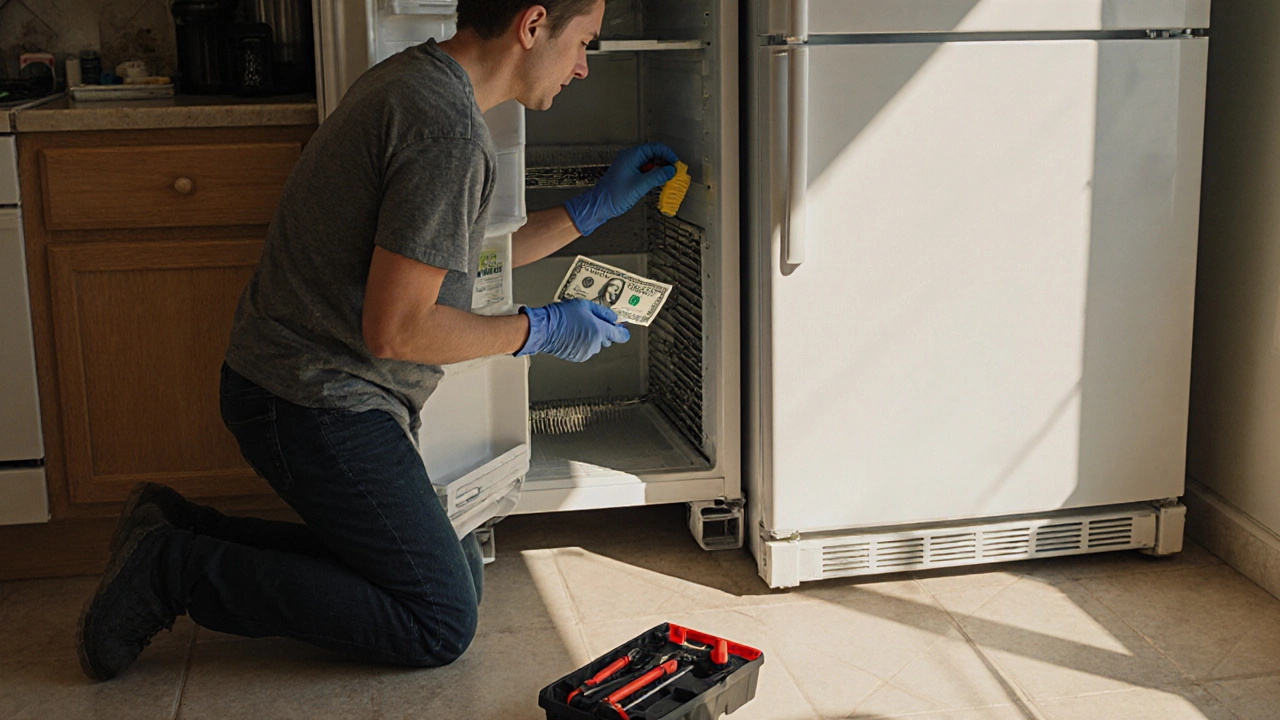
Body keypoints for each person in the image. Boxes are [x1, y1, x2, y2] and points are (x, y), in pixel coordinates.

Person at [76, 0, 679, 681]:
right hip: (312, 400)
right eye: (583, 43)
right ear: (533, 24)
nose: (582, 68)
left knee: (453, 584)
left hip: (294, 384)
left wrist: (594, 207)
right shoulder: (447, 131)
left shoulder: (418, 80)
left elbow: (454, 259)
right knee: (439, 622)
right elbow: (397, 330)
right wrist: (536, 331)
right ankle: (169, 571)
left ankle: (178, 528)